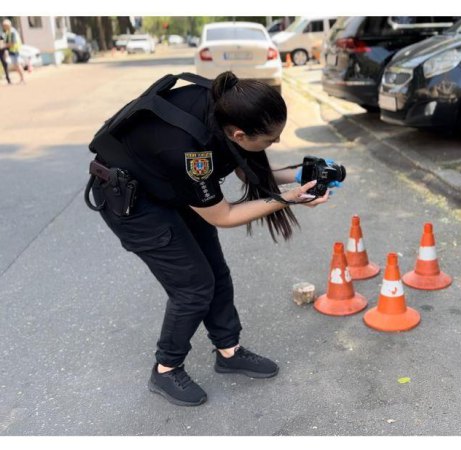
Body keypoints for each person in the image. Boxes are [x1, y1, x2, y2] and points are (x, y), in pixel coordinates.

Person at [88, 71, 333, 406]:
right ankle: (165, 368)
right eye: (270, 140)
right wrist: (287, 198)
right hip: (135, 201)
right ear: (240, 133)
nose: (274, 145)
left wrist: (302, 175)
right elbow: (224, 215)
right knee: (193, 286)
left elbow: (244, 163)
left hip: (169, 184)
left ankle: (228, 351)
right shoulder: (189, 152)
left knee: (215, 271)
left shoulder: (227, 103)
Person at [2, 19, 25, 84]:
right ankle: (21, 79)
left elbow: (12, 43)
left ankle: (23, 79)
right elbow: (5, 42)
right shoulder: (7, 32)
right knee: (16, 65)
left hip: (15, 51)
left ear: (8, 25)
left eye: (4, 26)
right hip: (11, 51)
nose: (3, 27)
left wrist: (3, 46)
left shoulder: (12, 32)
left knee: (18, 65)